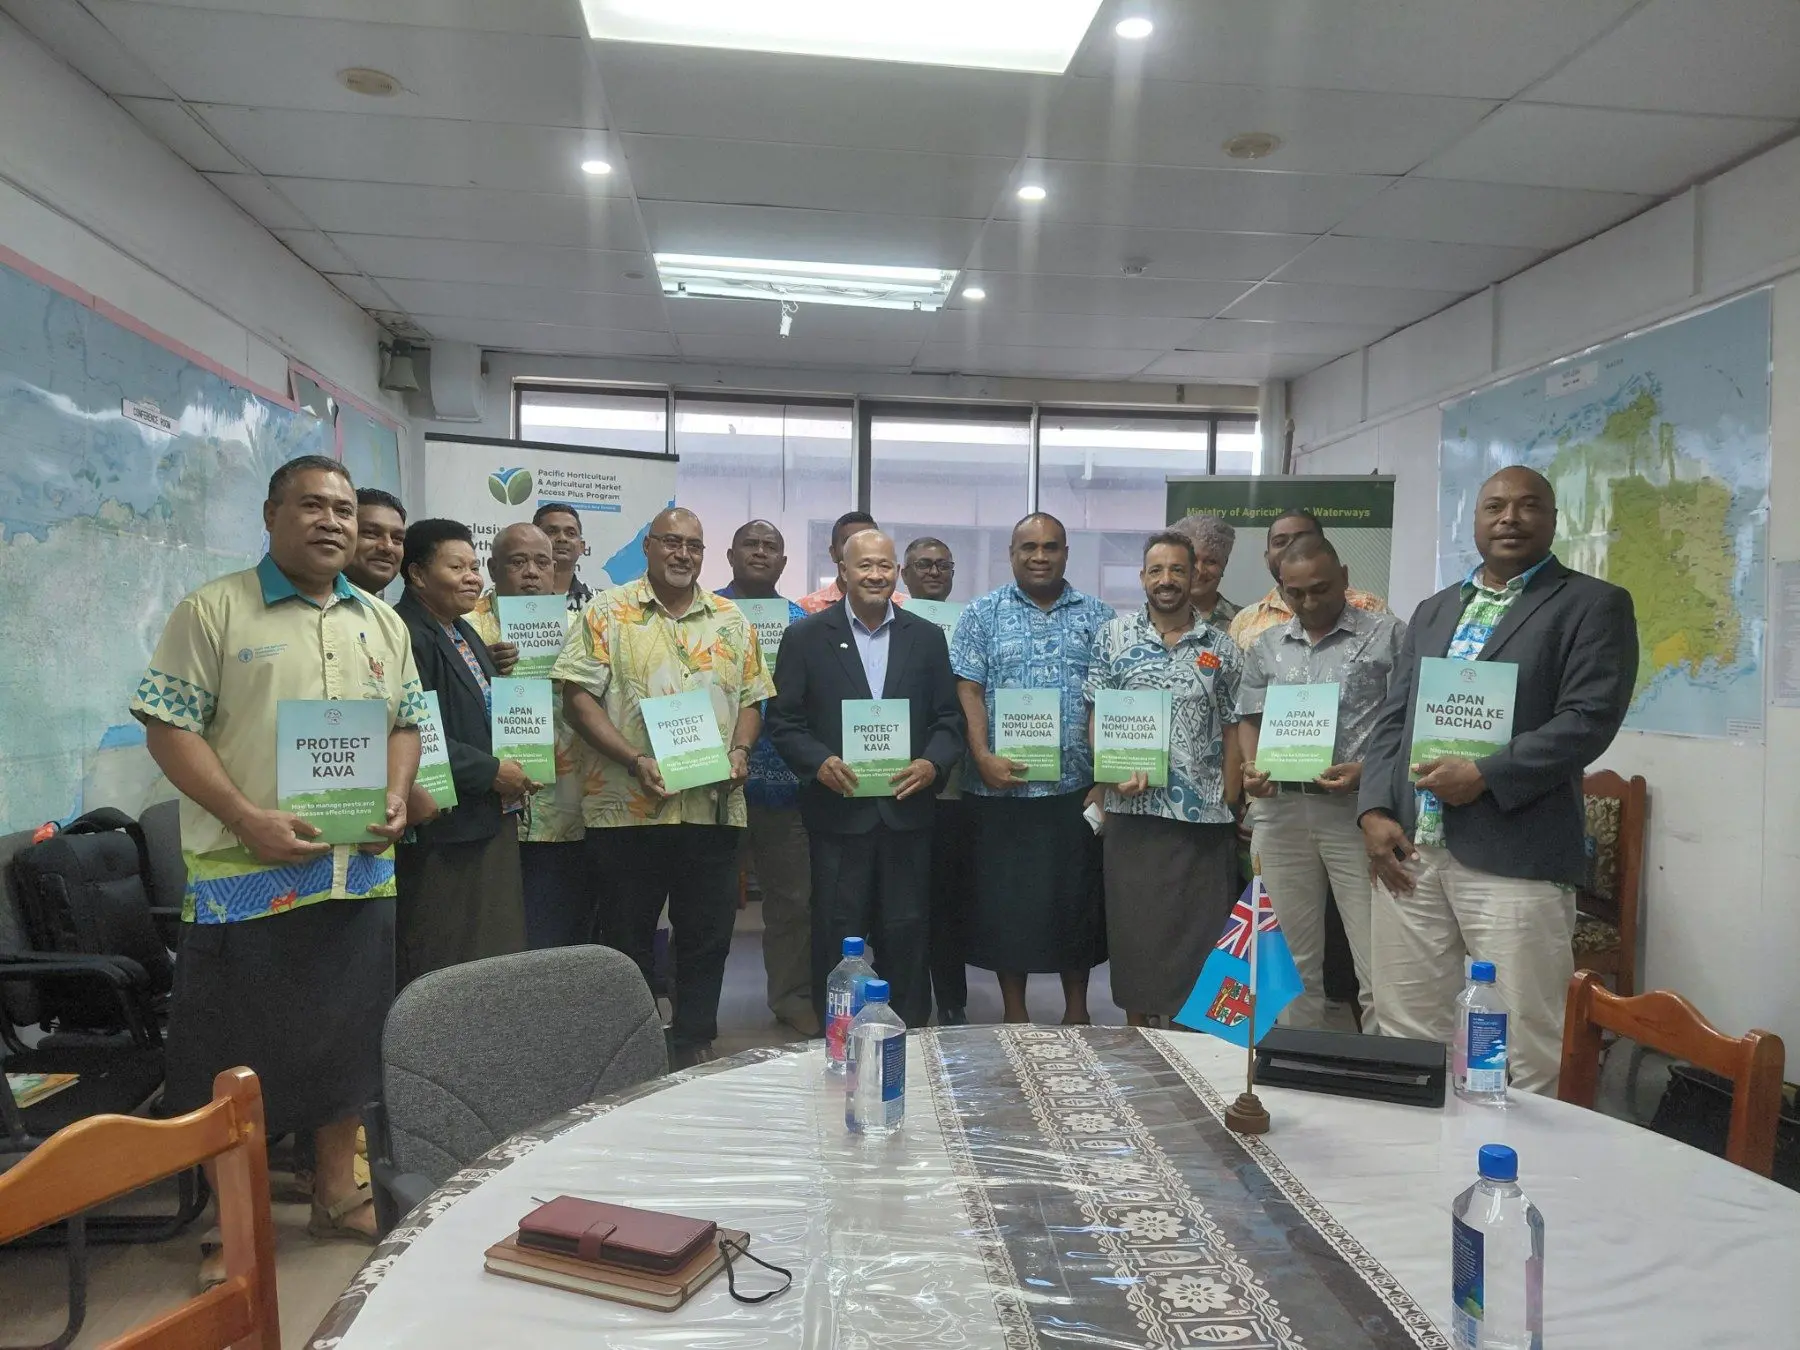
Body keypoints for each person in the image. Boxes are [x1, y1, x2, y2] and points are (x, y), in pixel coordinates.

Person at [132, 455, 422, 1260]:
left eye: (343, 510)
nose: (332, 522)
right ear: (271, 516)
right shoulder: (216, 609)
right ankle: (236, 1230)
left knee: (348, 1046)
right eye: (311, 506)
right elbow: (169, 727)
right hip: (246, 881)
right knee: (238, 1063)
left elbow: (404, 721)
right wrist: (245, 816)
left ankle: (335, 1195)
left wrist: (395, 796)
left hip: (358, 869)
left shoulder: (382, 620)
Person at [1358, 467, 1638, 1095]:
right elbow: (1393, 719)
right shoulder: (1435, 611)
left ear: (1553, 518)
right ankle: (1416, 1177)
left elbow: (1588, 720)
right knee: (1407, 1029)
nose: (1509, 518)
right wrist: (1373, 810)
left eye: (1527, 505)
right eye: (1494, 506)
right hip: (1411, 851)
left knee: (1523, 1040)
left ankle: (1523, 1180)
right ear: (1476, 521)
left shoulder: (1593, 604)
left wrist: (1485, 775)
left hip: (1516, 851)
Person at [552, 507, 771, 1068]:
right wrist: (634, 758)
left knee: (708, 934)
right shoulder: (606, 611)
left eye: (693, 545)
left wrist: (742, 749)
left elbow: (752, 700)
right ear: (648, 547)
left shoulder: (731, 619)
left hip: (712, 807)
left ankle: (696, 1038)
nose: (682, 554)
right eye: (671, 542)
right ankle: (630, 1046)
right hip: (628, 805)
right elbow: (576, 698)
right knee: (626, 935)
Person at [767, 530, 963, 1030]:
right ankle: (839, 1037)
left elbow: (948, 720)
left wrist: (932, 765)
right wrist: (819, 762)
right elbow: (784, 721)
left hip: (907, 812)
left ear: (897, 572)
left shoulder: (926, 637)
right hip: (838, 815)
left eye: (885, 565)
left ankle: (911, 1037)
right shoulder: (806, 637)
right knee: (837, 934)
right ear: (843, 573)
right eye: (864, 566)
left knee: (908, 932)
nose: (875, 575)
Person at [1238, 533, 1407, 1031]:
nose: (1310, 602)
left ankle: (1387, 1070)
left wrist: (1370, 772)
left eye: (1322, 588)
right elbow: (1249, 717)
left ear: (1346, 579)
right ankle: (1293, 1067)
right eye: (1297, 593)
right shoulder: (1267, 644)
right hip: (1282, 813)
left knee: (1378, 957)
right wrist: (1251, 769)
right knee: (1285, 960)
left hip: (1360, 813)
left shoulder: (1389, 635)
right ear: (1281, 590)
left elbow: (1408, 720)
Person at [951, 513, 1112, 1024]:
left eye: (1050, 547)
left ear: (1066, 553)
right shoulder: (981, 614)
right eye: (1028, 547)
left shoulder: (1100, 617)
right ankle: (1015, 1012)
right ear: (1011, 553)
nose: (1039, 556)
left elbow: (1110, 701)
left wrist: (1104, 779)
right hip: (1002, 788)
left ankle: (1078, 1010)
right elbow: (968, 689)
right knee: (1007, 908)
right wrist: (980, 756)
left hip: (1076, 789)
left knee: (1076, 903)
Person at [1087, 531, 1244, 1026]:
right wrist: (1110, 772)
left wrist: (1235, 799)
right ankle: (1138, 1037)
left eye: (1177, 570)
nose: (1167, 580)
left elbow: (1234, 727)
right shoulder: (1113, 637)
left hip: (1203, 818)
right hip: (1133, 814)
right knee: (1137, 934)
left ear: (1195, 576)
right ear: (1142, 578)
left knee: (1197, 937)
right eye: (1157, 570)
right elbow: (1095, 716)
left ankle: (1190, 1037)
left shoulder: (1222, 647)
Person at [392, 519, 531, 987]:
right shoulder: (409, 633)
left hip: (485, 818)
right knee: (451, 956)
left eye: (475, 566)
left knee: (491, 952)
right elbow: (418, 735)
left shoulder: (459, 629)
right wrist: (492, 772)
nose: (473, 577)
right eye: (457, 566)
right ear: (417, 574)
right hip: (448, 830)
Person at [464, 523, 591, 949]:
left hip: (565, 804)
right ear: (493, 567)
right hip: (490, 806)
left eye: (543, 562)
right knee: (497, 935)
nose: (532, 573)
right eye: (518, 562)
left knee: (558, 927)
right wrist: (483, 665)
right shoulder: (464, 629)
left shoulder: (581, 628)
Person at [717, 519, 818, 1036]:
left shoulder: (803, 623)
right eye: (750, 544)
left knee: (792, 901)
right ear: (730, 555)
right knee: (708, 905)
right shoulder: (702, 613)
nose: (760, 552)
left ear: (783, 562)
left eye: (771, 546)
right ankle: (699, 1009)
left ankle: (791, 996)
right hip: (713, 784)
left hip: (787, 787)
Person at [900, 534, 973, 1023]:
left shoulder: (971, 620)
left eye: (942, 566)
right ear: (904, 575)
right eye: (922, 565)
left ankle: (952, 1000)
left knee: (949, 898)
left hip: (952, 783)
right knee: (906, 899)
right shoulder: (888, 624)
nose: (932, 573)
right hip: (896, 775)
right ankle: (905, 997)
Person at [1228, 509, 1390, 651]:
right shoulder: (1246, 621)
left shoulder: (1369, 606)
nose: (1292, 548)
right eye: (1280, 542)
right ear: (1267, 558)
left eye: (1302, 539)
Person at [799, 510, 910, 613]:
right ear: (833, 553)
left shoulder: (905, 606)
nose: (860, 547)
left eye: (868, 541)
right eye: (849, 542)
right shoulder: (806, 608)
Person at [1170, 513, 1240, 632]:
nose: (1200, 570)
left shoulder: (1245, 621)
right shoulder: (1156, 619)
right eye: (1192, 559)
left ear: (1224, 564)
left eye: (1211, 561)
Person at [344, 487, 406, 597]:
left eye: (397, 538)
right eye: (371, 533)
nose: (388, 546)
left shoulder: (384, 613)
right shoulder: (319, 606)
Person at [534, 501, 591, 613]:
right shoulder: (510, 597)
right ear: (533, 540)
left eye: (570, 533)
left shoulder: (598, 602)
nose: (562, 538)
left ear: (582, 547)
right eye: (551, 532)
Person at [900, 536, 954, 602]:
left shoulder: (964, 611)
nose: (934, 572)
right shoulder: (889, 612)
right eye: (923, 565)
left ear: (952, 574)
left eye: (943, 565)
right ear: (905, 575)